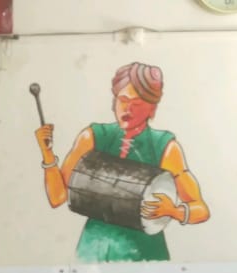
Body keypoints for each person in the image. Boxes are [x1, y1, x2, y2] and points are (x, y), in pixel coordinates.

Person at [35, 61, 209, 262]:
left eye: (138, 104)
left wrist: (175, 211)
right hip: (93, 254)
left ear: (152, 109)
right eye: (123, 100)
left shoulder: (166, 147)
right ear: (113, 101)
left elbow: (201, 209)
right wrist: (47, 153)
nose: (128, 109)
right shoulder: (91, 137)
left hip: (146, 257)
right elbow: (57, 197)